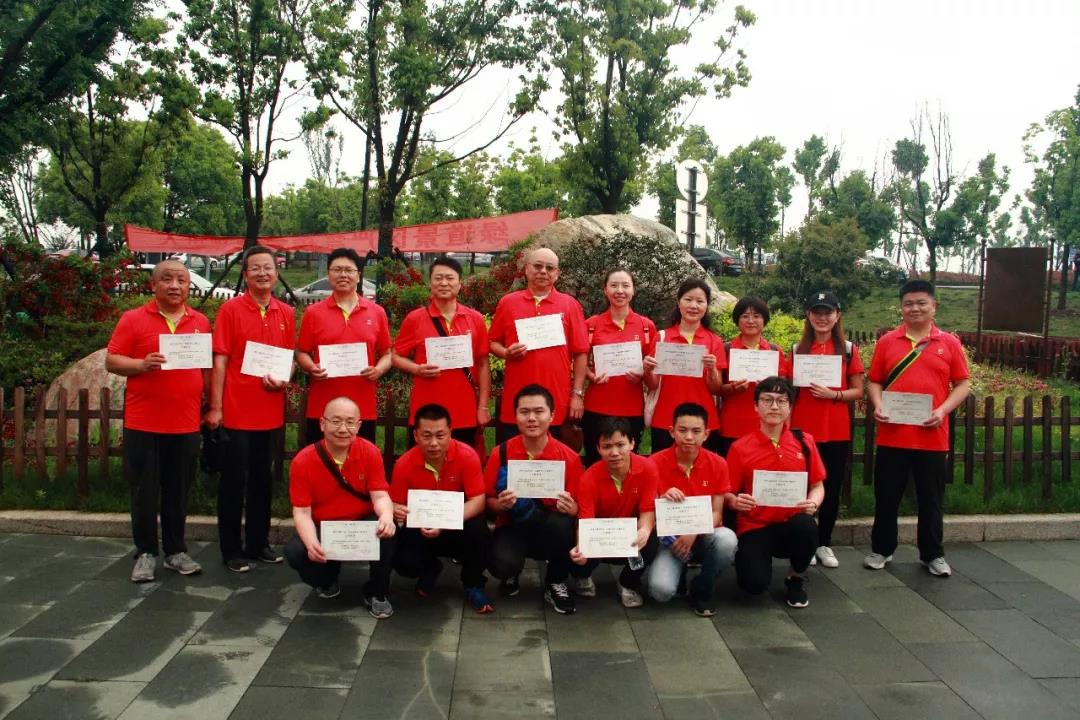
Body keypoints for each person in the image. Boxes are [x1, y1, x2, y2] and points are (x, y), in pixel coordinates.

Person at [106, 259, 210, 582]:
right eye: (167, 279)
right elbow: (112, 360)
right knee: (144, 491)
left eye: (181, 280)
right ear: (154, 285)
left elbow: (205, 368)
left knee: (178, 490)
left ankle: (176, 551)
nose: (175, 285)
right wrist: (141, 364)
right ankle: (146, 552)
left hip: (185, 422)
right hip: (144, 423)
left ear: (189, 286)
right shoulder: (133, 319)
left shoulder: (200, 321)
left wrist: (211, 404)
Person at [865, 280, 971, 577]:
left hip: (931, 436)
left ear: (934, 306)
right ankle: (881, 549)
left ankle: (932, 554)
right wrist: (878, 404)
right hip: (892, 435)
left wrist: (943, 410)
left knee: (931, 499)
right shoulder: (888, 342)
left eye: (922, 303)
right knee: (887, 497)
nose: (915, 308)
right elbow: (874, 381)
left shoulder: (949, 343)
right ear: (901, 307)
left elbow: (963, 383)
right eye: (909, 303)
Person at [205, 245, 296, 572]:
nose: (262, 273)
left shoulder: (286, 312)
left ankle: (258, 543)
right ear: (245, 274)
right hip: (236, 411)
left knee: (262, 481)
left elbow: (289, 360)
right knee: (233, 482)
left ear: (276, 272)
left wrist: (284, 379)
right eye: (255, 268)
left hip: (269, 411)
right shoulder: (230, 310)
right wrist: (215, 407)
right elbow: (220, 360)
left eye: (267, 268)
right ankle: (231, 549)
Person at [284, 397, 397, 617]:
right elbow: (302, 512)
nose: (343, 429)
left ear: (359, 425)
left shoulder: (370, 452)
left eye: (350, 422)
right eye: (336, 421)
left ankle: (377, 592)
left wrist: (386, 515)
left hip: (361, 520)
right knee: (297, 551)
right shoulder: (302, 461)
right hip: (323, 525)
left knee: (387, 531)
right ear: (322, 423)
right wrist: (311, 543)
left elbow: (380, 494)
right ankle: (326, 579)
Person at [485, 384, 584, 615]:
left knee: (562, 525)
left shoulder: (568, 458)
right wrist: (501, 505)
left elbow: (581, 508)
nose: (532, 418)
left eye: (539, 411)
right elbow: (487, 501)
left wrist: (571, 508)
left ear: (552, 416)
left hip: (550, 527)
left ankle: (555, 581)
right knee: (501, 564)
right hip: (513, 525)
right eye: (525, 412)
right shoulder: (501, 453)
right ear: (515, 416)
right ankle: (511, 573)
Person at [728, 377, 826, 608]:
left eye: (782, 401)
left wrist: (813, 503)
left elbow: (817, 485)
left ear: (790, 407)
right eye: (767, 400)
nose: (774, 406)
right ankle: (755, 562)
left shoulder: (804, 442)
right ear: (756, 406)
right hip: (755, 525)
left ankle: (795, 578)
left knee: (806, 526)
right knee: (753, 585)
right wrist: (736, 502)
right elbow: (727, 493)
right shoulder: (740, 447)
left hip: (791, 523)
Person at [390, 403, 495, 614]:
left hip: (457, 525)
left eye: (440, 435)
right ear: (416, 435)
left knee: (478, 529)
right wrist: (397, 509)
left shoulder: (467, 456)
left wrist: (446, 520)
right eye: (426, 436)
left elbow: (478, 500)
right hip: (421, 528)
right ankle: (430, 568)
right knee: (403, 560)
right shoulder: (404, 464)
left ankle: (473, 583)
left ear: (450, 433)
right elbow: (395, 503)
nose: (434, 443)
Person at [790, 291, 865, 569]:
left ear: (837, 316)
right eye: (817, 312)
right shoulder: (797, 350)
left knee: (831, 489)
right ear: (808, 315)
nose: (822, 318)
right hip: (802, 430)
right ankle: (805, 542)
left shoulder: (847, 349)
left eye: (828, 313)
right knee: (801, 488)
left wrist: (833, 395)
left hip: (835, 431)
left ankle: (824, 543)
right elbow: (789, 392)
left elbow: (858, 390)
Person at [488, 248, 589, 442]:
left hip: (556, 399)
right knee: (514, 456)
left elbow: (581, 352)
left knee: (553, 458)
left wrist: (577, 394)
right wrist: (506, 353)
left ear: (557, 274)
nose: (543, 271)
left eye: (549, 268)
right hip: (516, 398)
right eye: (538, 266)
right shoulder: (508, 303)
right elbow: (492, 342)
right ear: (527, 269)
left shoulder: (570, 305)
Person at [647, 403, 737, 617]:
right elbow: (648, 513)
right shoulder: (653, 464)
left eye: (696, 431)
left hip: (704, 535)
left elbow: (717, 513)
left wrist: (693, 531)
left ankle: (702, 587)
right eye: (683, 430)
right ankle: (677, 572)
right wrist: (661, 498)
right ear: (672, 431)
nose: (689, 437)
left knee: (727, 540)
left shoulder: (718, 463)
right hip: (669, 540)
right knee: (661, 591)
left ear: (706, 434)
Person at [392, 256, 491, 446]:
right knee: (423, 461)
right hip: (426, 410)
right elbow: (395, 357)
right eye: (438, 278)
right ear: (430, 283)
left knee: (463, 460)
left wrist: (483, 407)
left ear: (459, 284)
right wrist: (416, 369)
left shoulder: (475, 319)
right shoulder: (415, 319)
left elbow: (483, 364)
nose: (444, 283)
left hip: (464, 410)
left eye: (450, 278)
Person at [296, 247, 391, 445]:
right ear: (329, 274)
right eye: (337, 270)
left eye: (349, 270)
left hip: (362, 405)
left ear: (358, 275)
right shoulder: (313, 313)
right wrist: (311, 367)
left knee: (361, 458)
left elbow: (387, 353)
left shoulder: (376, 312)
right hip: (322, 405)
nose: (343, 275)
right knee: (321, 459)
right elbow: (302, 352)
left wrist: (378, 370)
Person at [570, 417, 659, 608]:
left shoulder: (648, 468)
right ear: (598, 448)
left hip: (629, 536)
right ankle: (583, 575)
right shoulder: (589, 478)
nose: (614, 453)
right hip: (600, 538)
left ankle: (628, 583)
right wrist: (581, 547)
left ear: (632, 443)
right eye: (607, 446)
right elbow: (585, 521)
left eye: (620, 445)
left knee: (652, 535)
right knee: (575, 541)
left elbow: (648, 510)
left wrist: (644, 531)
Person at [581, 269, 656, 466]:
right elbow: (579, 361)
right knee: (595, 462)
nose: (620, 291)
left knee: (627, 464)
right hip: (597, 406)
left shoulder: (646, 326)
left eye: (625, 285)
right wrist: (590, 375)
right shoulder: (591, 325)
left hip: (631, 408)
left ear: (633, 290)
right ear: (605, 290)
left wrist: (642, 373)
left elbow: (651, 368)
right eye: (614, 285)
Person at [643, 278, 725, 454]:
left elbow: (716, 388)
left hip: (703, 422)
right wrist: (647, 370)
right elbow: (653, 385)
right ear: (678, 302)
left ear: (706, 306)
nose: (693, 306)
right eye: (688, 299)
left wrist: (712, 369)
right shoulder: (662, 337)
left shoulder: (714, 341)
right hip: (666, 419)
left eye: (700, 301)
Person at [717, 296, 790, 456]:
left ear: (764, 320)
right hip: (732, 426)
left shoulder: (774, 351)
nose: (751, 321)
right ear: (737, 320)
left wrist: (771, 387)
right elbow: (716, 389)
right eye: (745, 316)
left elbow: (784, 390)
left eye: (756, 316)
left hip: (767, 427)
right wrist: (732, 388)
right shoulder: (726, 349)